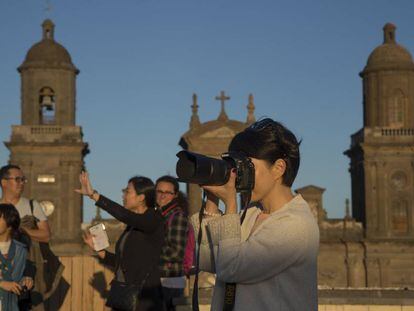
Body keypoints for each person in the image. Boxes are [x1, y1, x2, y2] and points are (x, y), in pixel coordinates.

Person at [191, 118, 320, 311]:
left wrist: (231, 203)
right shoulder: (251, 213)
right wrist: (212, 201)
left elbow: (231, 269)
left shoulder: (296, 225)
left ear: (278, 168)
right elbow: (207, 260)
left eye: (247, 166)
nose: (240, 175)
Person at [78, 171, 165, 311]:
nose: (123, 195)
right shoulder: (131, 227)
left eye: (127, 191)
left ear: (141, 197)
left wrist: (94, 195)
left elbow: (124, 215)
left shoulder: (153, 219)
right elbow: (123, 262)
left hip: (144, 298)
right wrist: (100, 251)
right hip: (125, 296)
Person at [0, 164, 54, 310]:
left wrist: (22, 229)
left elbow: (46, 235)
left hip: (29, 268)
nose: (21, 183)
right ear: (4, 182)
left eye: (23, 179)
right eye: (17, 179)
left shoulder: (32, 206)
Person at [155, 176, 190, 311]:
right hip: (162, 278)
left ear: (175, 195)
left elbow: (176, 252)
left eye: (167, 192)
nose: (162, 196)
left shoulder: (177, 216)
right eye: (159, 191)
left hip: (171, 279)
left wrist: (150, 253)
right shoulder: (161, 214)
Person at [0, 203, 28, 311]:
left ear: (10, 223)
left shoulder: (21, 250)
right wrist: (2, 284)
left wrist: (25, 280)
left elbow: (16, 279)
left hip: (11, 306)